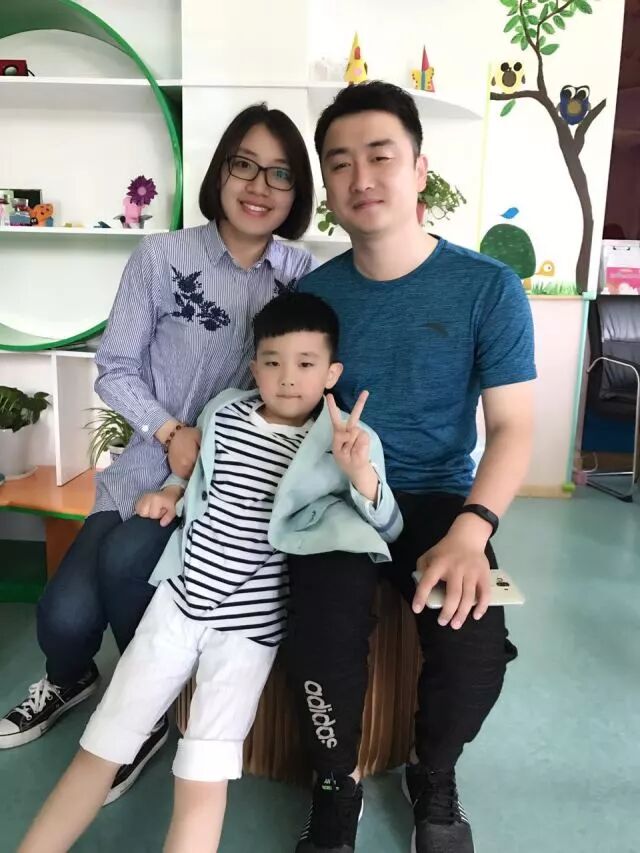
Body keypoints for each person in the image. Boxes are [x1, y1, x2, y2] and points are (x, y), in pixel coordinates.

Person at [0, 104, 316, 802]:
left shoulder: (302, 275)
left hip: (229, 485)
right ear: (220, 171)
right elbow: (114, 366)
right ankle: (70, 679)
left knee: (124, 563)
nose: (259, 185)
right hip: (145, 465)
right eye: (244, 164)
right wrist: (171, 432)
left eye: (281, 173)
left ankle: (142, 713)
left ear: (297, 192)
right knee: (61, 619)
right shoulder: (161, 258)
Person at [17, 292, 402, 853]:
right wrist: (171, 492)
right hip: (175, 604)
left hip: (247, 631)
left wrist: (360, 472)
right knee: (99, 748)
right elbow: (197, 476)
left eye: (305, 363)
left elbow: (388, 525)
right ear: (254, 367)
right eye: (272, 361)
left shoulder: (345, 440)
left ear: (331, 373)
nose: (287, 377)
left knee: (202, 775)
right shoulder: (224, 411)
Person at [288, 81, 536, 853]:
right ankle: (336, 785)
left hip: (437, 501)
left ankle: (433, 770)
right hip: (339, 499)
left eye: (380, 156)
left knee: (476, 651)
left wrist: (472, 530)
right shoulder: (313, 297)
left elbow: (513, 426)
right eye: (339, 163)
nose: (360, 177)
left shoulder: (487, 287)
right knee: (320, 633)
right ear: (327, 185)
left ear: (420, 169)